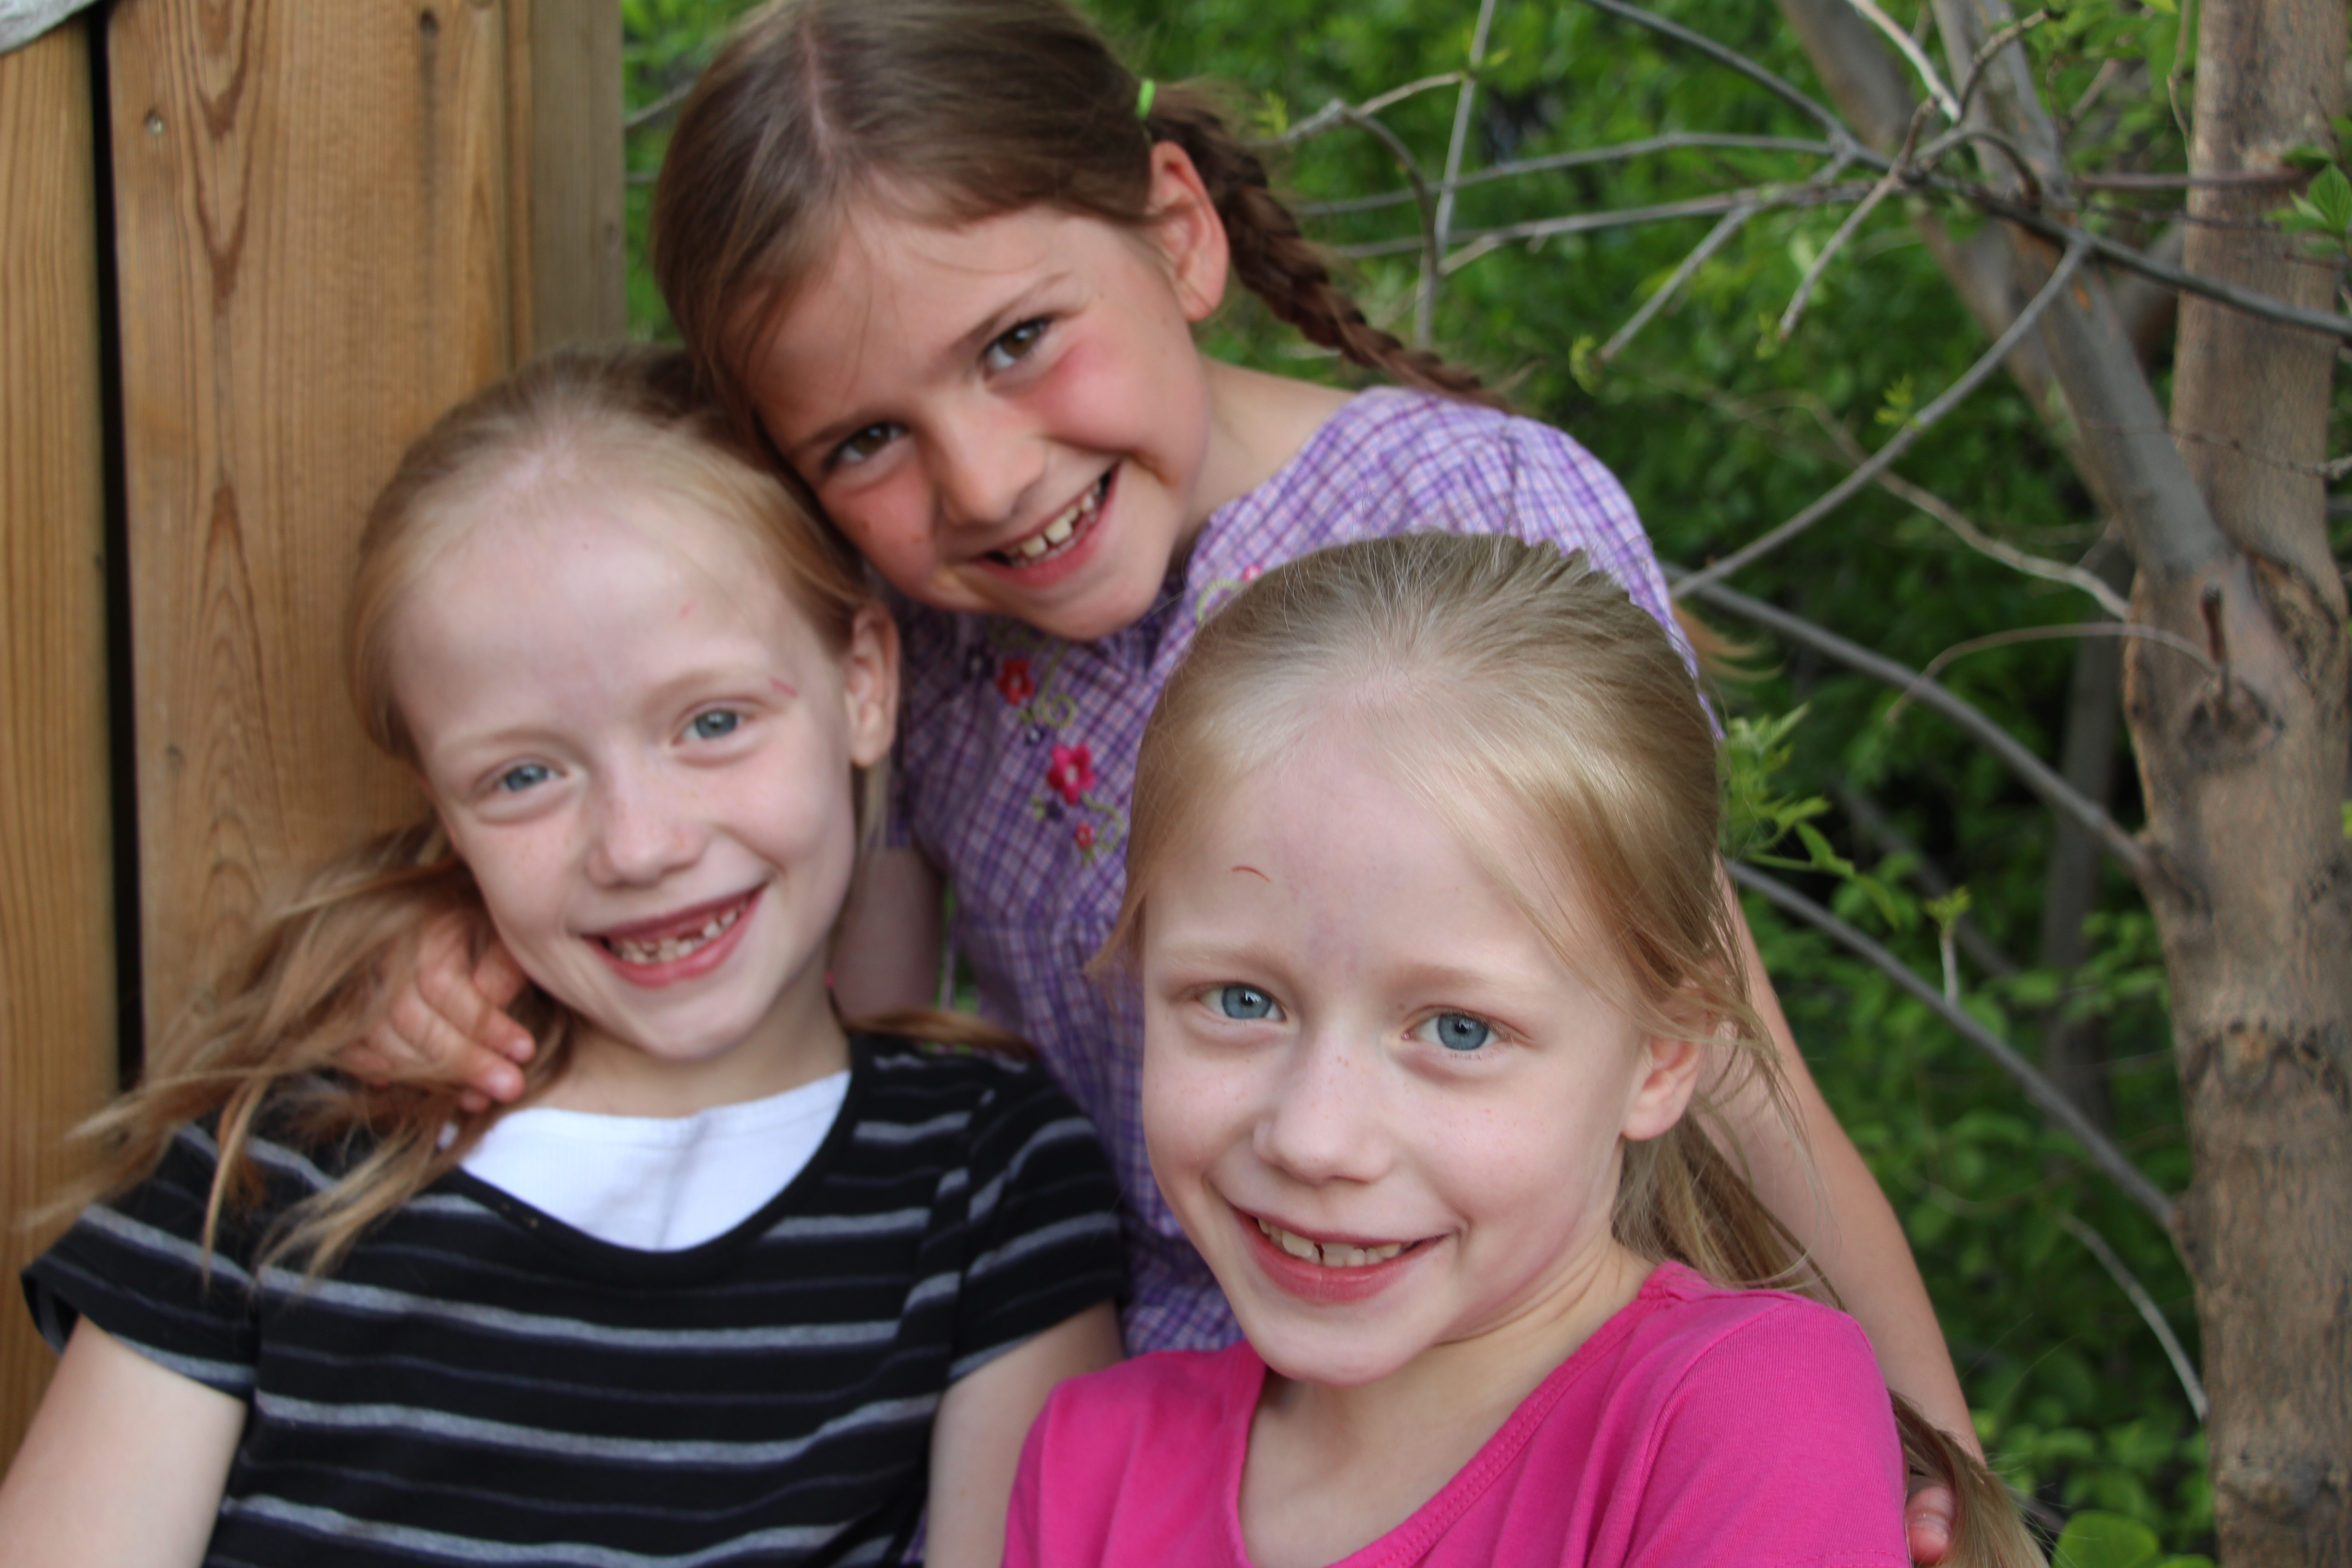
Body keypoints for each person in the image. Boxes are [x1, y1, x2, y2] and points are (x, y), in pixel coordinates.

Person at [368, 2, 1975, 1550]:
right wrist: (457, 954)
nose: (984, 480)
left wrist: (1929, 1456)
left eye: (1017, 342)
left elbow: (1732, 1064)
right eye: (864, 440)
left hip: (1503, 1396)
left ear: (1178, 234)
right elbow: (848, 1045)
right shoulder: (916, 639)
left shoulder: (1471, 515)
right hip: (1146, 1448)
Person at [0, 345, 1127, 1568]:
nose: (639, 847)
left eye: (712, 722)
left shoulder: (988, 1179)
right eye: (525, 775)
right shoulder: (279, 1162)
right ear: (441, 802)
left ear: (862, 681)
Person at [1007, 533, 2041, 1568]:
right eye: (1242, 1001)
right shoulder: (1089, 1462)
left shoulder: (1745, 1415)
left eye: (1459, 1029)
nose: (1316, 1140)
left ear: (1663, 1054)